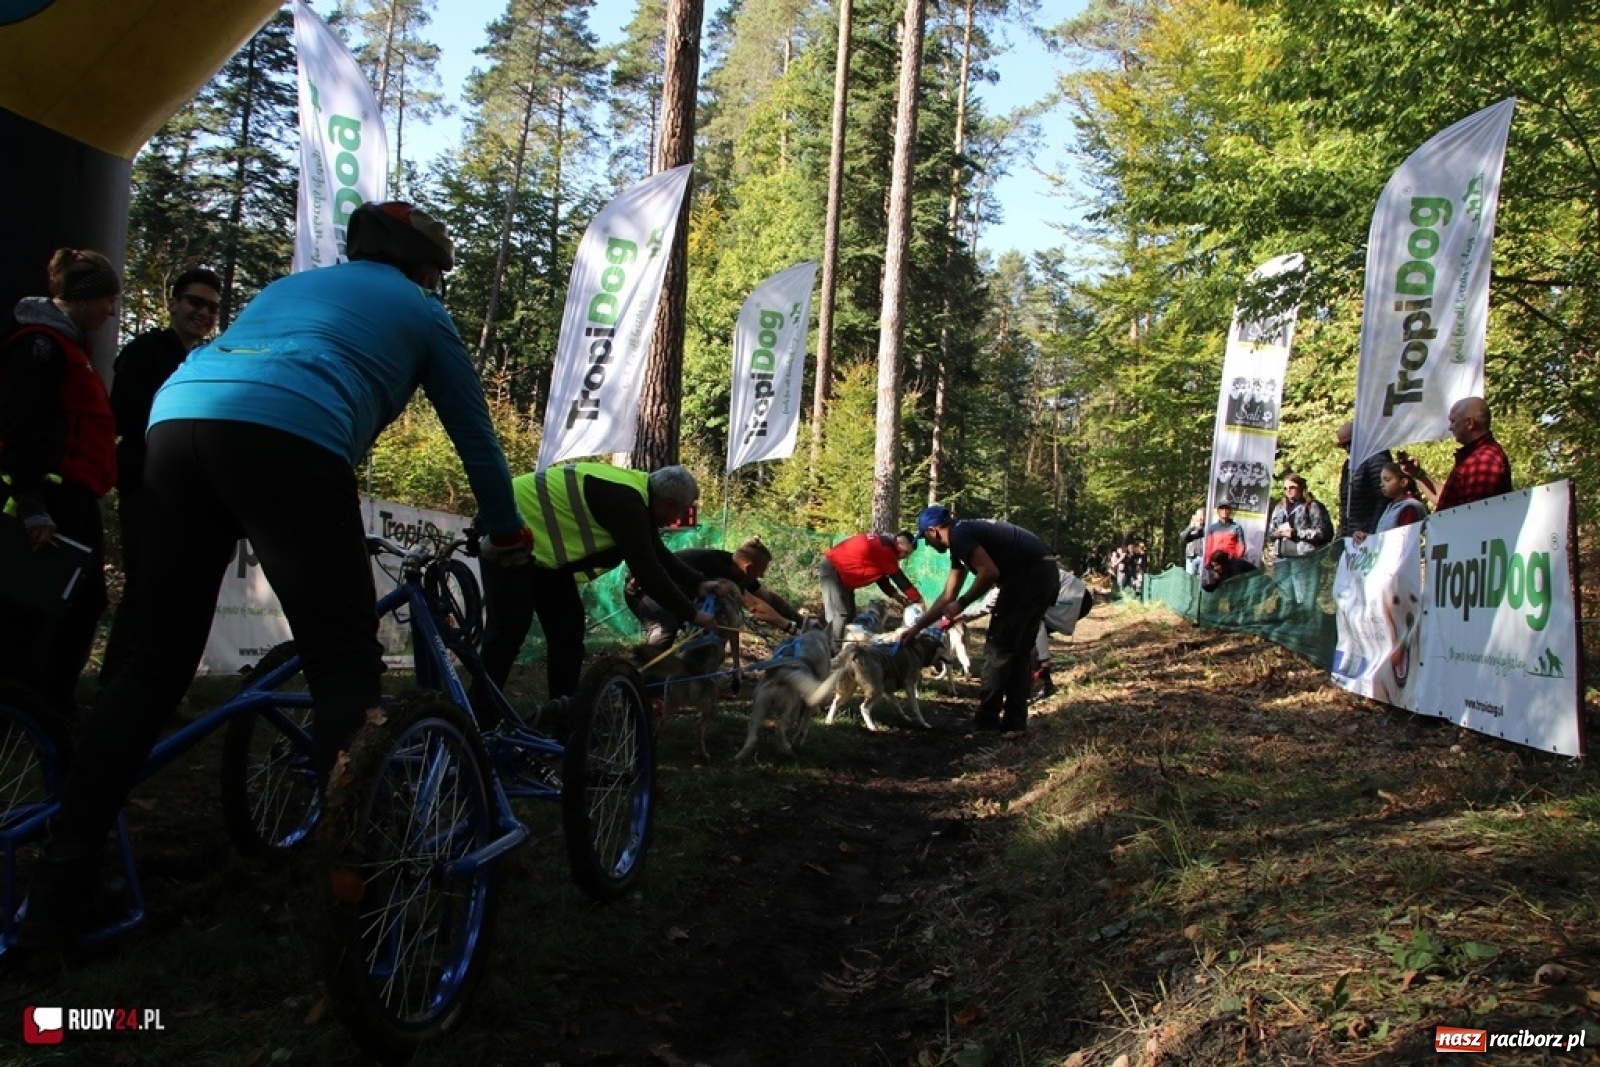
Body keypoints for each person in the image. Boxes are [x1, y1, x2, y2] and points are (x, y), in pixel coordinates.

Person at [19, 202, 531, 950]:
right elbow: (477, 440)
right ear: (426, 270)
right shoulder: (423, 310)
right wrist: (507, 532)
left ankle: (59, 884)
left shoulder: (293, 287)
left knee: (153, 662)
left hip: (177, 421)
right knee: (343, 660)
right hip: (292, 431)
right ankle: (366, 875)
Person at [477, 462, 718, 704]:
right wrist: (693, 615)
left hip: (544, 557)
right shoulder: (627, 503)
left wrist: (697, 582)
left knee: (568, 632)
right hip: (509, 531)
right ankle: (478, 714)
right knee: (508, 631)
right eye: (680, 512)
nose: (676, 519)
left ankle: (563, 712)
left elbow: (657, 551)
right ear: (670, 504)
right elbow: (648, 573)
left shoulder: (639, 495)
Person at [0, 248, 121, 720]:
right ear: (84, 298)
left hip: (76, 497)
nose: (112, 311)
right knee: (36, 609)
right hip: (52, 498)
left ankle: (47, 708)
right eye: (108, 300)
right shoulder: (41, 346)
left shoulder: (70, 348)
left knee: (80, 605)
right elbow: (19, 426)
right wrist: (32, 506)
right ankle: (30, 710)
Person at [99, 267, 222, 684]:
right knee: (145, 590)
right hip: (148, 488)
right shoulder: (144, 352)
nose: (203, 313)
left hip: (191, 493)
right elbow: (125, 415)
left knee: (177, 596)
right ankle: (115, 689)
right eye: (195, 302)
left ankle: (156, 692)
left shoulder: (207, 361)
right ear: (173, 302)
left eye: (212, 308)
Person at [901, 505, 1057, 735]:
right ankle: (1015, 723)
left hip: (1028, 577)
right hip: (1046, 573)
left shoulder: (960, 536)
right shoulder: (962, 537)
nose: (928, 544)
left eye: (925, 538)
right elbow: (947, 596)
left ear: (933, 531)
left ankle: (986, 722)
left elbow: (989, 572)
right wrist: (916, 628)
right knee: (1019, 651)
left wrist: (962, 603)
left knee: (998, 650)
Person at [627, 536, 803, 649]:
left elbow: (767, 597)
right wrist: (790, 628)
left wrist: (801, 620)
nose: (762, 576)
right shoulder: (721, 570)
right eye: (760, 572)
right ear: (749, 567)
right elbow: (755, 606)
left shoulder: (736, 566)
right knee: (666, 627)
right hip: (643, 589)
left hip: (671, 595)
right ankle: (642, 682)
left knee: (700, 636)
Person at [1397, 396, 1512, 511]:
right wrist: (1418, 473)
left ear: (1469, 423)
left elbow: (1476, 513)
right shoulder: (1475, 457)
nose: (1450, 427)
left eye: (1453, 421)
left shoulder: (1483, 461)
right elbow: (1449, 501)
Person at [818, 530, 922, 647]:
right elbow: (898, 577)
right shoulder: (885, 549)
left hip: (844, 574)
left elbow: (881, 578)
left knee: (849, 613)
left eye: (907, 555)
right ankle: (833, 650)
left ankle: (842, 646)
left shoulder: (884, 546)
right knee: (839, 614)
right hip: (834, 569)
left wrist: (895, 595)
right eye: (905, 552)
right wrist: (917, 599)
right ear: (899, 543)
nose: (904, 557)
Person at [1268, 474, 1332, 606]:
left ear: (1301, 488)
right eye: (1285, 488)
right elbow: (1270, 531)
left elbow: (1322, 532)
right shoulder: (1279, 508)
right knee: (1285, 598)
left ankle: (1305, 616)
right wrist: (1277, 534)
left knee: (1303, 597)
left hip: (1303, 557)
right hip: (1281, 557)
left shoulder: (1312, 506)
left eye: (1292, 487)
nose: (1288, 491)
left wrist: (1296, 533)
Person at [1336, 420, 1390, 538]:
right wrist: (1341, 536)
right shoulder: (1348, 465)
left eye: (1350, 443)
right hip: (1352, 536)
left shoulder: (1376, 458)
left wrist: (1372, 534)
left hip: (1369, 533)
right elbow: (1345, 506)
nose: (1347, 448)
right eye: (1343, 446)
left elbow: (1383, 499)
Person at [1352, 463, 1428, 544]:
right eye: (1381, 481)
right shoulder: (1390, 506)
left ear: (1403, 482)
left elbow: (1405, 540)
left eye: (1387, 480)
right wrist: (1367, 537)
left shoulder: (1409, 507)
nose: (1381, 485)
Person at [1181, 507, 1207, 576]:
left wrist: (1199, 527)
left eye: (1202, 515)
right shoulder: (1191, 527)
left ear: (1205, 516)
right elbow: (1183, 537)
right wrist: (1191, 527)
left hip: (1203, 558)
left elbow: (1203, 533)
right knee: (1190, 579)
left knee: (1203, 579)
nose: (1200, 518)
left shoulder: (1207, 528)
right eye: (1198, 515)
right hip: (1191, 558)